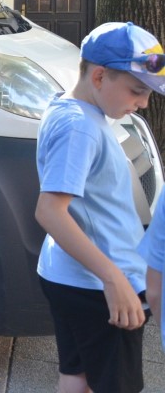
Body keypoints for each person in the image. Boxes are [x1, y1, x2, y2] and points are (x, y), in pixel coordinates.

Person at [34, 21, 165, 393]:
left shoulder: (69, 109)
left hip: (70, 275)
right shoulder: (80, 128)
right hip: (98, 284)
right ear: (99, 76)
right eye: (137, 91)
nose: (143, 103)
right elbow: (49, 211)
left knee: (77, 374)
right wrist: (114, 280)